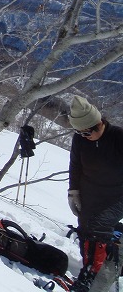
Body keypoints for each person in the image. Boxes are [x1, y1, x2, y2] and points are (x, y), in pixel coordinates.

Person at [67, 96, 123, 292]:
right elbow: (75, 165)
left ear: (100, 123)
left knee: (99, 225)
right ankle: (90, 268)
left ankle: (92, 274)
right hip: (90, 190)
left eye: (89, 131)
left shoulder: (118, 137)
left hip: (117, 194)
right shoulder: (80, 140)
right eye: (80, 132)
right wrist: (73, 191)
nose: (85, 135)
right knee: (85, 228)